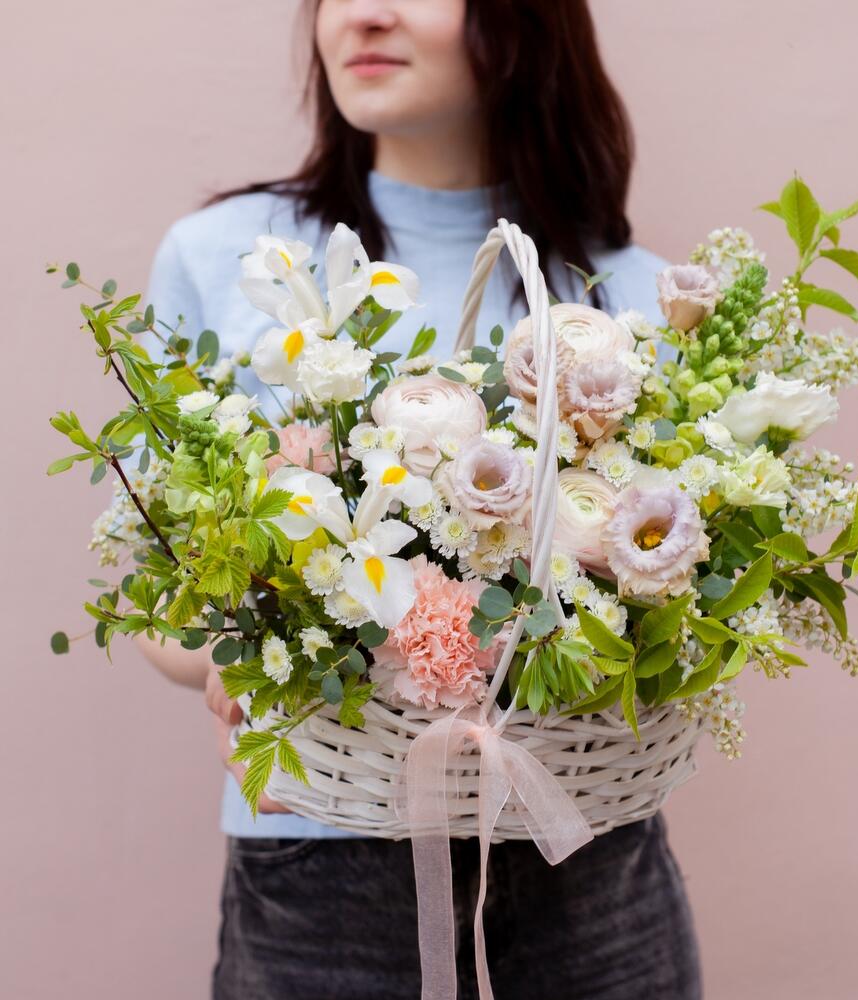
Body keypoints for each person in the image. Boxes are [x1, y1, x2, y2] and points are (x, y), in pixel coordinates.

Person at [137, 2, 703, 997]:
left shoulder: (636, 298)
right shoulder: (228, 257)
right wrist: (240, 658)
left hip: (585, 857)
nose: (365, 13)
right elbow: (149, 591)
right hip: (321, 862)